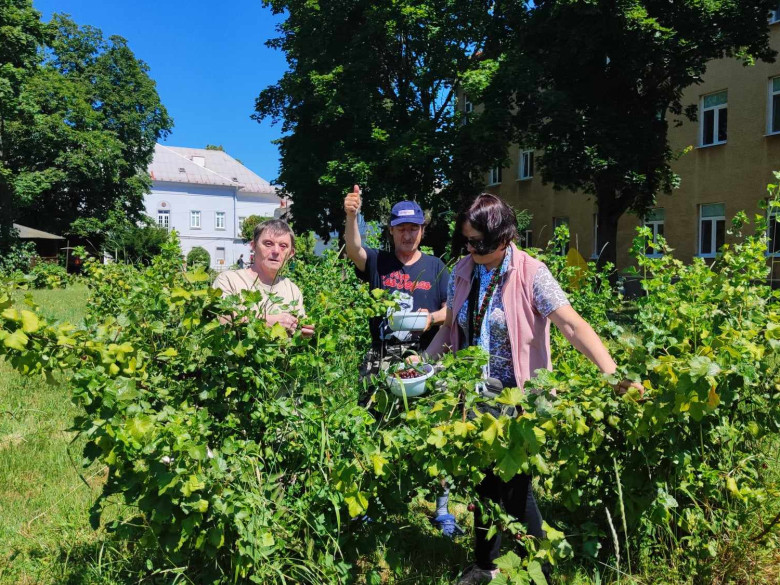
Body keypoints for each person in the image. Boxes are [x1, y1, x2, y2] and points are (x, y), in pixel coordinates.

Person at [422, 193, 643, 584]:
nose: (472, 249)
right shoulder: (465, 270)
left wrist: (612, 374)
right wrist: (422, 367)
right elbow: (450, 327)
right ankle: (486, 565)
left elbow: (572, 325)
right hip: (476, 395)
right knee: (486, 483)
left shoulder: (531, 272)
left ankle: (536, 566)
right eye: (467, 241)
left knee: (516, 486)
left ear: (504, 237)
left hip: (520, 397)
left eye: (480, 242)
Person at [343, 184, 458, 534]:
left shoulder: (437, 268)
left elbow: (452, 310)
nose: (408, 234)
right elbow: (353, 249)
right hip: (380, 357)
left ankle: (442, 509)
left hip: (425, 357)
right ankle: (364, 505)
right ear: (391, 230)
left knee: (438, 429)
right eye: (401, 228)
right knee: (370, 428)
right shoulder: (379, 261)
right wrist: (351, 216)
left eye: (414, 228)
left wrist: (431, 319)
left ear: (422, 231)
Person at [213, 219, 313, 338]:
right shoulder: (229, 280)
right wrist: (267, 321)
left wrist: (304, 332)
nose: (276, 251)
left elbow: (298, 332)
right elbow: (219, 320)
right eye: (268, 244)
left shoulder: (292, 290)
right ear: (253, 246)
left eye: (283, 246)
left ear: (291, 253)